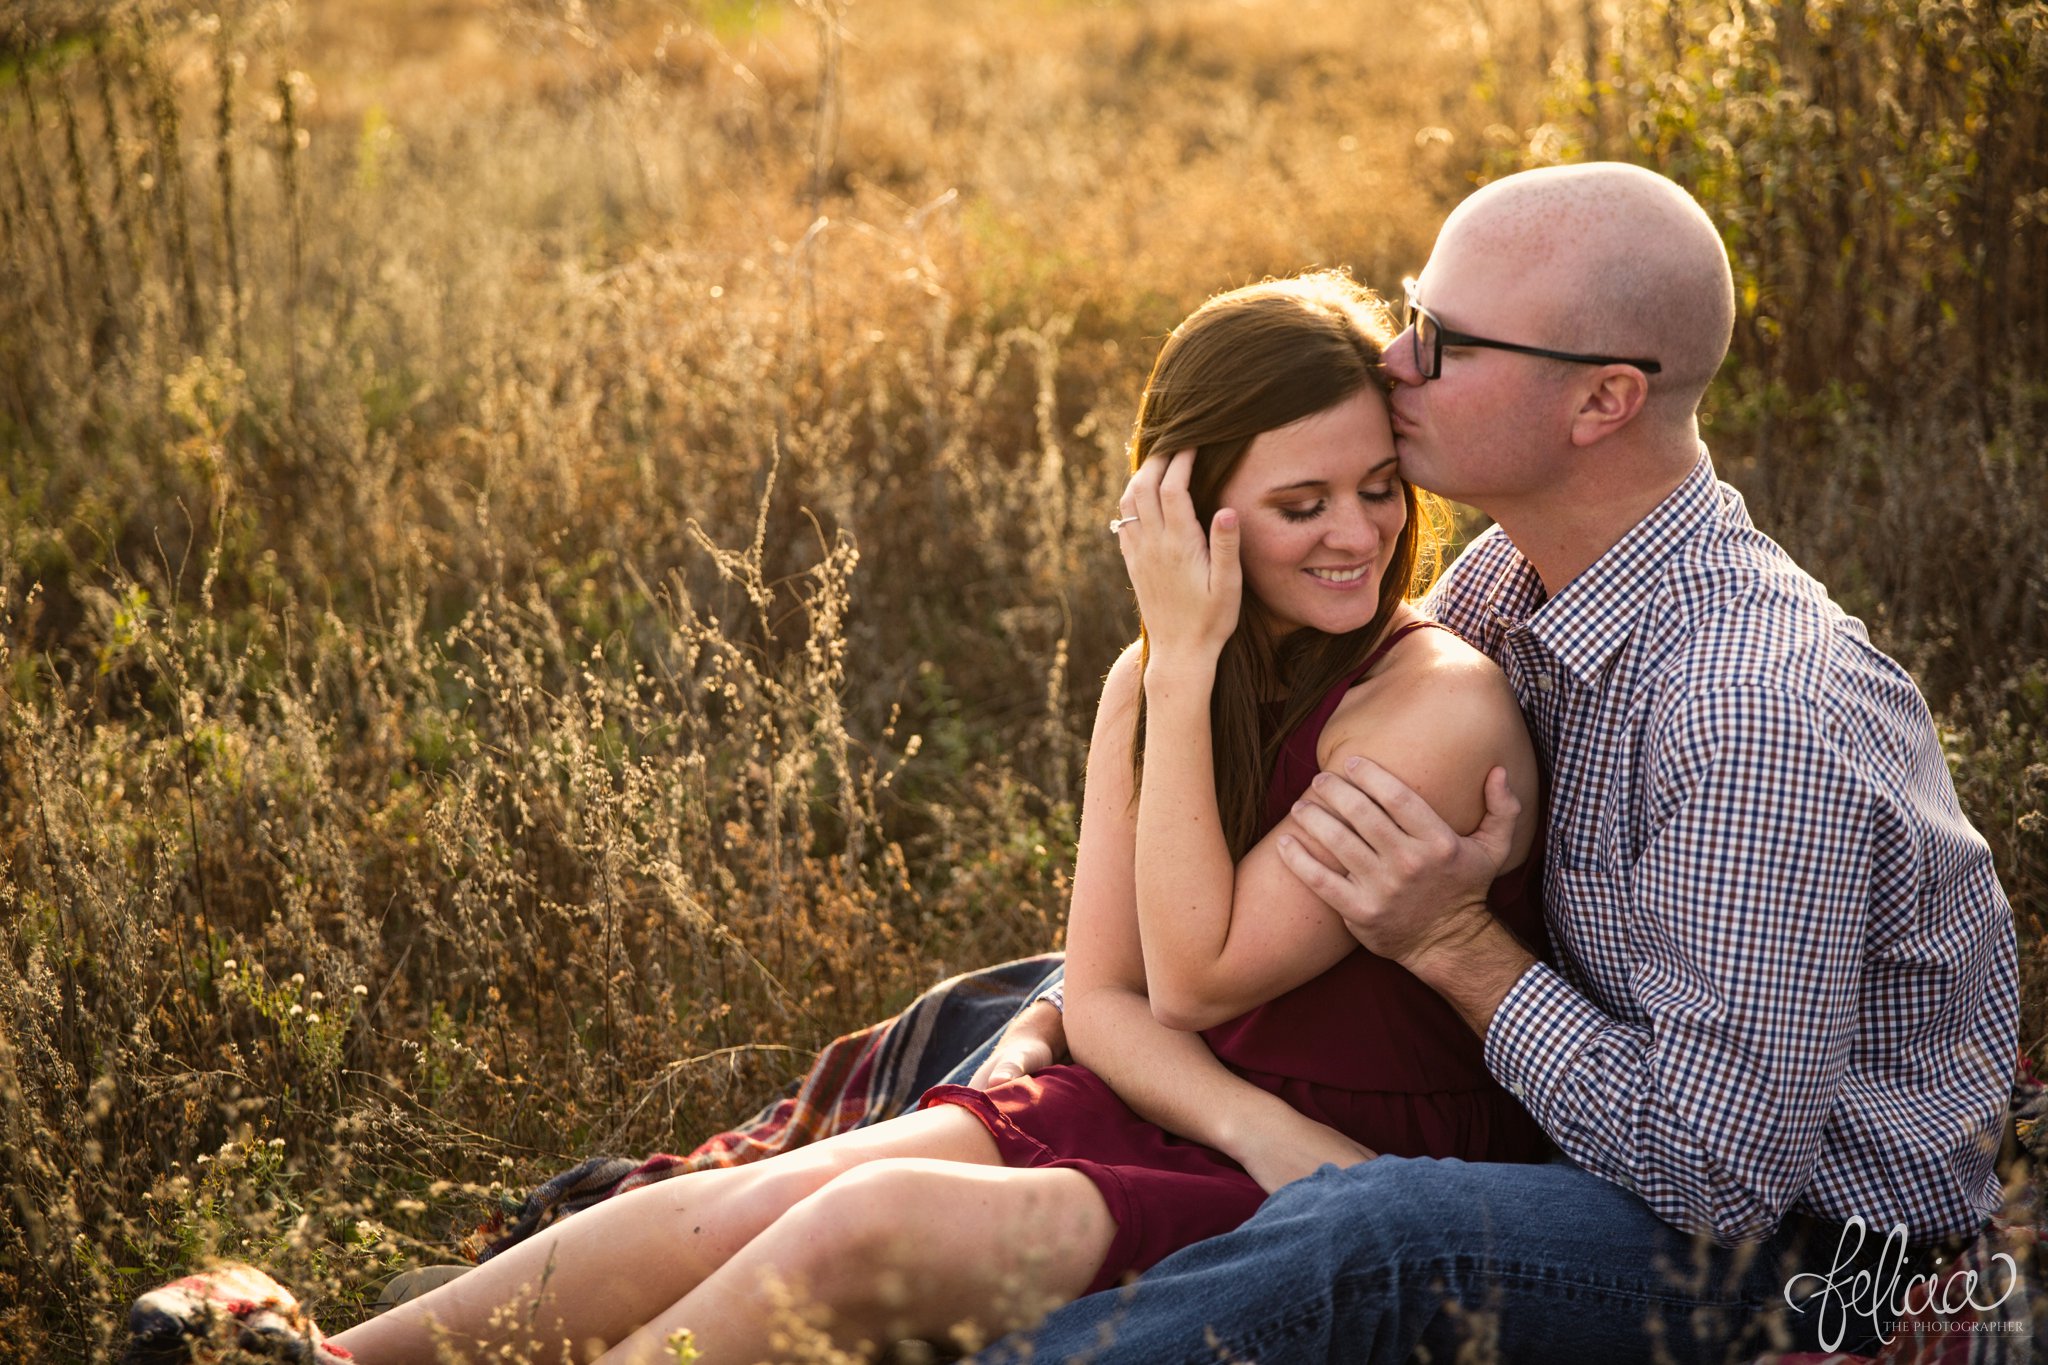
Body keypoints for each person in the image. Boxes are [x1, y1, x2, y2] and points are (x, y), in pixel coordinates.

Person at [126, 272, 1556, 1365]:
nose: (1361, 535)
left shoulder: (1428, 705)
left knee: (864, 1225)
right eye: (1302, 500)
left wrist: (1178, 673)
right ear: (1188, 508)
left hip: (1364, 1166)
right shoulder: (1158, 679)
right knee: (725, 1209)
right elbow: (1107, 999)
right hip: (1206, 1117)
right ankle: (327, 1359)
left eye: (1379, 488)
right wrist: (1175, 674)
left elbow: (1191, 975)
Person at [974, 162, 2022, 1363]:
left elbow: (1719, 1182)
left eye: (1441, 340)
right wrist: (1080, 1001)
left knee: (1372, 1232)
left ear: (1600, 402)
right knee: (1036, 1022)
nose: (1394, 363)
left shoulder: (1750, 714)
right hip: (1598, 1144)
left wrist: (1452, 946)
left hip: (1821, 1253)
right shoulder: (1506, 582)